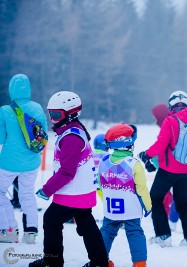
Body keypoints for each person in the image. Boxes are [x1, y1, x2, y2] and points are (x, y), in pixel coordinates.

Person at [29, 91, 108, 267]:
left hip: (73, 192)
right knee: (86, 225)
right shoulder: (72, 131)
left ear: (71, 114)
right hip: (81, 191)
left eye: (56, 115)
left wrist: (47, 189)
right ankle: (99, 262)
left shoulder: (71, 137)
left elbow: (67, 172)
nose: (52, 119)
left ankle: (52, 261)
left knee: (51, 219)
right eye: (51, 114)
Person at [138, 90, 187, 248]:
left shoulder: (170, 119)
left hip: (168, 169)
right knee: (182, 202)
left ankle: (163, 236)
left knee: (155, 199)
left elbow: (161, 143)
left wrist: (147, 154)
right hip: (186, 169)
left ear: (171, 104)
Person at [0, 74, 48, 244]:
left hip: (8, 162)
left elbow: (1, 139)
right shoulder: (37, 108)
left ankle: (9, 230)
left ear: (11, 89)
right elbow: (43, 134)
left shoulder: (5, 110)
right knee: (27, 195)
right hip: (32, 161)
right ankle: (31, 233)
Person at [99, 123, 152, 267]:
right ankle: (139, 263)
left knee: (107, 231)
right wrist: (148, 206)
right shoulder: (134, 164)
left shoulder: (103, 161)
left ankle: (100, 260)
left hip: (111, 208)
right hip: (130, 208)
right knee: (135, 233)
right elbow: (141, 188)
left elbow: (101, 184)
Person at [151, 104, 173, 215]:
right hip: (166, 164)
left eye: (155, 116)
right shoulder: (168, 123)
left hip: (169, 165)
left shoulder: (167, 124)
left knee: (163, 193)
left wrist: (151, 156)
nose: (154, 119)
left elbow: (163, 145)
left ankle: (163, 214)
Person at [93, 133, 109, 200]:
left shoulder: (90, 154)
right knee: (106, 201)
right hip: (103, 185)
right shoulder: (106, 156)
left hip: (92, 185)